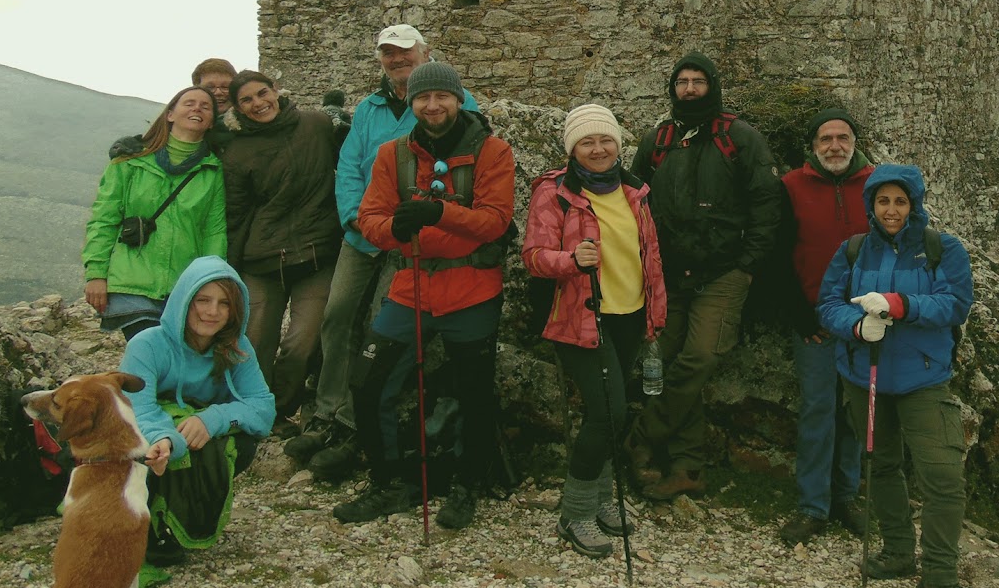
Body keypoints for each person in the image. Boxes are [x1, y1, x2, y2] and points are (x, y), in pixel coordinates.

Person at [291, 24, 481, 482]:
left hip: (412, 239)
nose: (396, 60)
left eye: (404, 52)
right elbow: (349, 169)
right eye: (388, 54)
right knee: (337, 316)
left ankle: (357, 424)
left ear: (425, 52)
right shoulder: (368, 109)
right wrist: (355, 218)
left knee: (381, 328)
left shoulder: (455, 103)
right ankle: (327, 411)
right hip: (363, 233)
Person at [333, 62, 514, 531]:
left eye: (442, 97)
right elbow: (370, 217)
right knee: (369, 382)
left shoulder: (493, 152)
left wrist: (437, 213)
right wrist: (396, 227)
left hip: (472, 290)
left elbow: (493, 221)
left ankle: (467, 481)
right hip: (410, 288)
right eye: (422, 98)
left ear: (458, 99)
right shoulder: (393, 155)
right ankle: (388, 480)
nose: (432, 106)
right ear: (411, 103)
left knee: (472, 391)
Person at [818, 163, 986, 588]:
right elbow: (827, 304)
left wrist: (900, 305)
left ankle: (939, 578)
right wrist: (855, 325)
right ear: (870, 205)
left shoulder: (940, 249)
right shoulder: (852, 251)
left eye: (900, 201)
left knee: (943, 479)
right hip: (864, 377)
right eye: (882, 201)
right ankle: (897, 551)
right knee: (884, 465)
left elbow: (955, 303)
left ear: (914, 205)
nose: (891, 210)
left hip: (923, 379)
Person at [626, 53, 780, 501]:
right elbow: (634, 198)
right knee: (662, 363)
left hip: (723, 273)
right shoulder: (659, 139)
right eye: (682, 82)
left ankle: (639, 440)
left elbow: (767, 204)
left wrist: (748, 264)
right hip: (670, 275)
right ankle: (688, 466)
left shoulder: (741, 138)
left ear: (713, 86)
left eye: (698, 82)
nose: (689, 89)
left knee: (699, 358)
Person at [522, 104, 668, 558]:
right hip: (582, 316)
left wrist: (654, 316)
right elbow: (533, 255)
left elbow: (651, 259)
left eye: (606, 140)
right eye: (587, 142)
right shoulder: (555, 192)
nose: (599, 149)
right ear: (572, 149)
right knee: (609, 414)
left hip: (629, 315)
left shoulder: (634, 192)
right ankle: (576, 512)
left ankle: (602, 498)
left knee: (611, 413)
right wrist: (571, 261)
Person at [121, 256, 275, 564]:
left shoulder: (236, 347)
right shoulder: (146, 345)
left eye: (224, 304)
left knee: (241, 444)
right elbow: (138, 409)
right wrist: (165, 440)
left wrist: (212, 419)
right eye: (202, 300)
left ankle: (181, 517)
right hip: (152, 436)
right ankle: (145, 521)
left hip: (195, 431)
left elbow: (263, 408)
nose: (212, 312)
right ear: (183, 301)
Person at [220, 70, 346, 423]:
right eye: (247, 100)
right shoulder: (237, 150)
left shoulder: (318, 125)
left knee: (301, 343)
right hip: (261, 259)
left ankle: (280, 407)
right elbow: (235, 213)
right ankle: (254, 410)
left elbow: (349, 169)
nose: (258, 103)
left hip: (317, 253)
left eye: (262, 93)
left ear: (276, 91)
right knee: (255, 342)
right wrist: (228, 269)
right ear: (237, 108)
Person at [777, 108, 874, 546]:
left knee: (855, 411)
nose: (835, 146)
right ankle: (813, 505)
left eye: (842, 137)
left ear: (854, 141)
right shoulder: (791, 187)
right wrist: (797, 313)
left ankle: (846, 496)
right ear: (812, 147)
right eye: (825, 139)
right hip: (814, 321)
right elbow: (778, 254)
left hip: (863, 322)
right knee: (818, 410)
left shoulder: (877, 185)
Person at [83, 87, 227, 340]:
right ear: (170, 114)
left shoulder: (212, 171)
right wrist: (96, 274)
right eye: (189, 103)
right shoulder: (129, 161)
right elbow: (104, 219)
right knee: (149, 352)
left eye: (206, 107)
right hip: (133, 283)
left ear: (211, 122)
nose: (197, 109)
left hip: (184, 285)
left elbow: (213, 232)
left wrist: (211, 281)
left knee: (177, 365)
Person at [108, 57, 237, 159]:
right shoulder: (178, 126)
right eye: (210, 87)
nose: (219, 92)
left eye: (225, 87)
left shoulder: (249, 126)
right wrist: (125, 146)